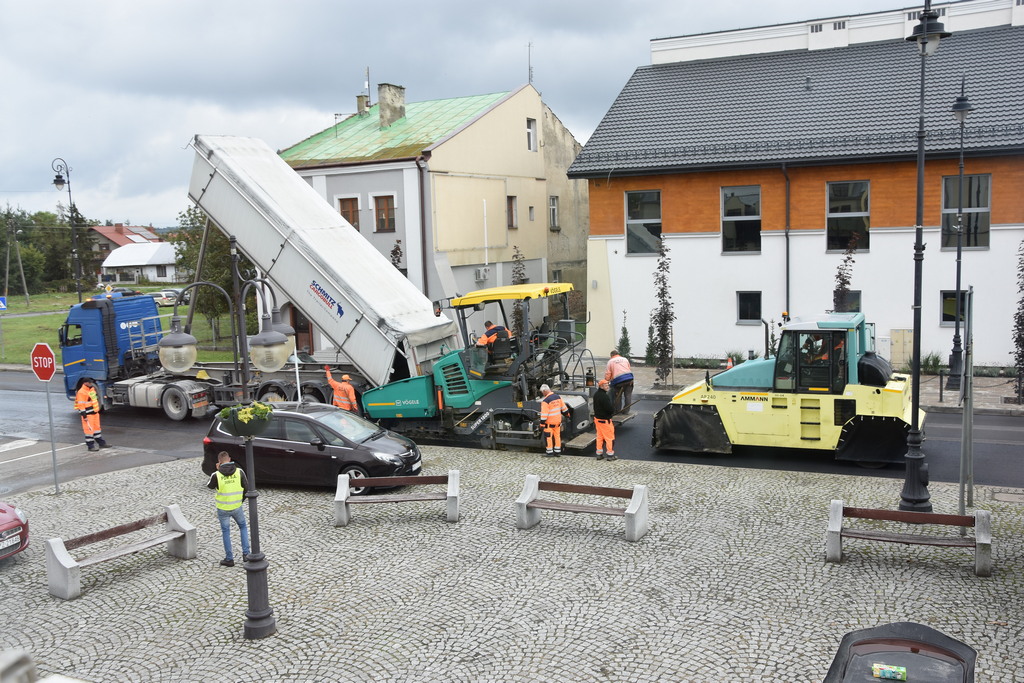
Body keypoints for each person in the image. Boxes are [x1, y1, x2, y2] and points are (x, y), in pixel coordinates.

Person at [207, 451, 251, 567]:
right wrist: (240, 501)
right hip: (237, 507)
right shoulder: (239, 471)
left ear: (219, 462)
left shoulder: (216, 475)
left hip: (223, 508)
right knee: (243, 527)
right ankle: (246, 554)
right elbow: (246, 488)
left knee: (226, 532)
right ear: (230, 459)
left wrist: (217, 470)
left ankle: (229, 558)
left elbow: (210, 486)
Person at [74, 379, 109, 451]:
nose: (91, 384)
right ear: (85, 383)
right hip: (88, 414)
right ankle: (90, 446)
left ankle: (101, 443)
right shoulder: (81, 392)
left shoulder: (91, 389)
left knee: (97, 429)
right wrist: (84, 416)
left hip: (95, 413)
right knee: (89, 431)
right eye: (89, 383)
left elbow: (95, 400)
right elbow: (81, 405)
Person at [539, 384, 570, 457]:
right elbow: (564, 408)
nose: (542, 394)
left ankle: (549, 452)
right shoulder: (558, 397)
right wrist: (567, 415)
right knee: (557, 437)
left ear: (544, 391)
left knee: (548, 437)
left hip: (549, 424)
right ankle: (557, 452)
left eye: (542, 392)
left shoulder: (545, 401)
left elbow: (544, 415)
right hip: (558, 422)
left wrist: (542, 423)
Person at [592, 379, 617, 461]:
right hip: (605, 421)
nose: (608, 386)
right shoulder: (604, 396)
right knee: (609, 438)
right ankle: (610, 455)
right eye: (606, 385)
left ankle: (599, 454)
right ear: (601, 386)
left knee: (599, 437)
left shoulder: (596, 395)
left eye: (608, 385)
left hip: (597, 419)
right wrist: (612, 410)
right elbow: (609, 409)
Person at [604, 350, 634, 415]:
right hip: (629, 379)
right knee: (628, 396)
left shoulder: (610, 362)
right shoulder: (625, 359)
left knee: (618, 397)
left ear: (611, 355)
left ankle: (618, 411)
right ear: (618, 354)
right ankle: (626, 411)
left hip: (618, 382)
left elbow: (608, 374)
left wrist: (606, 381)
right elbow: (628, 368)